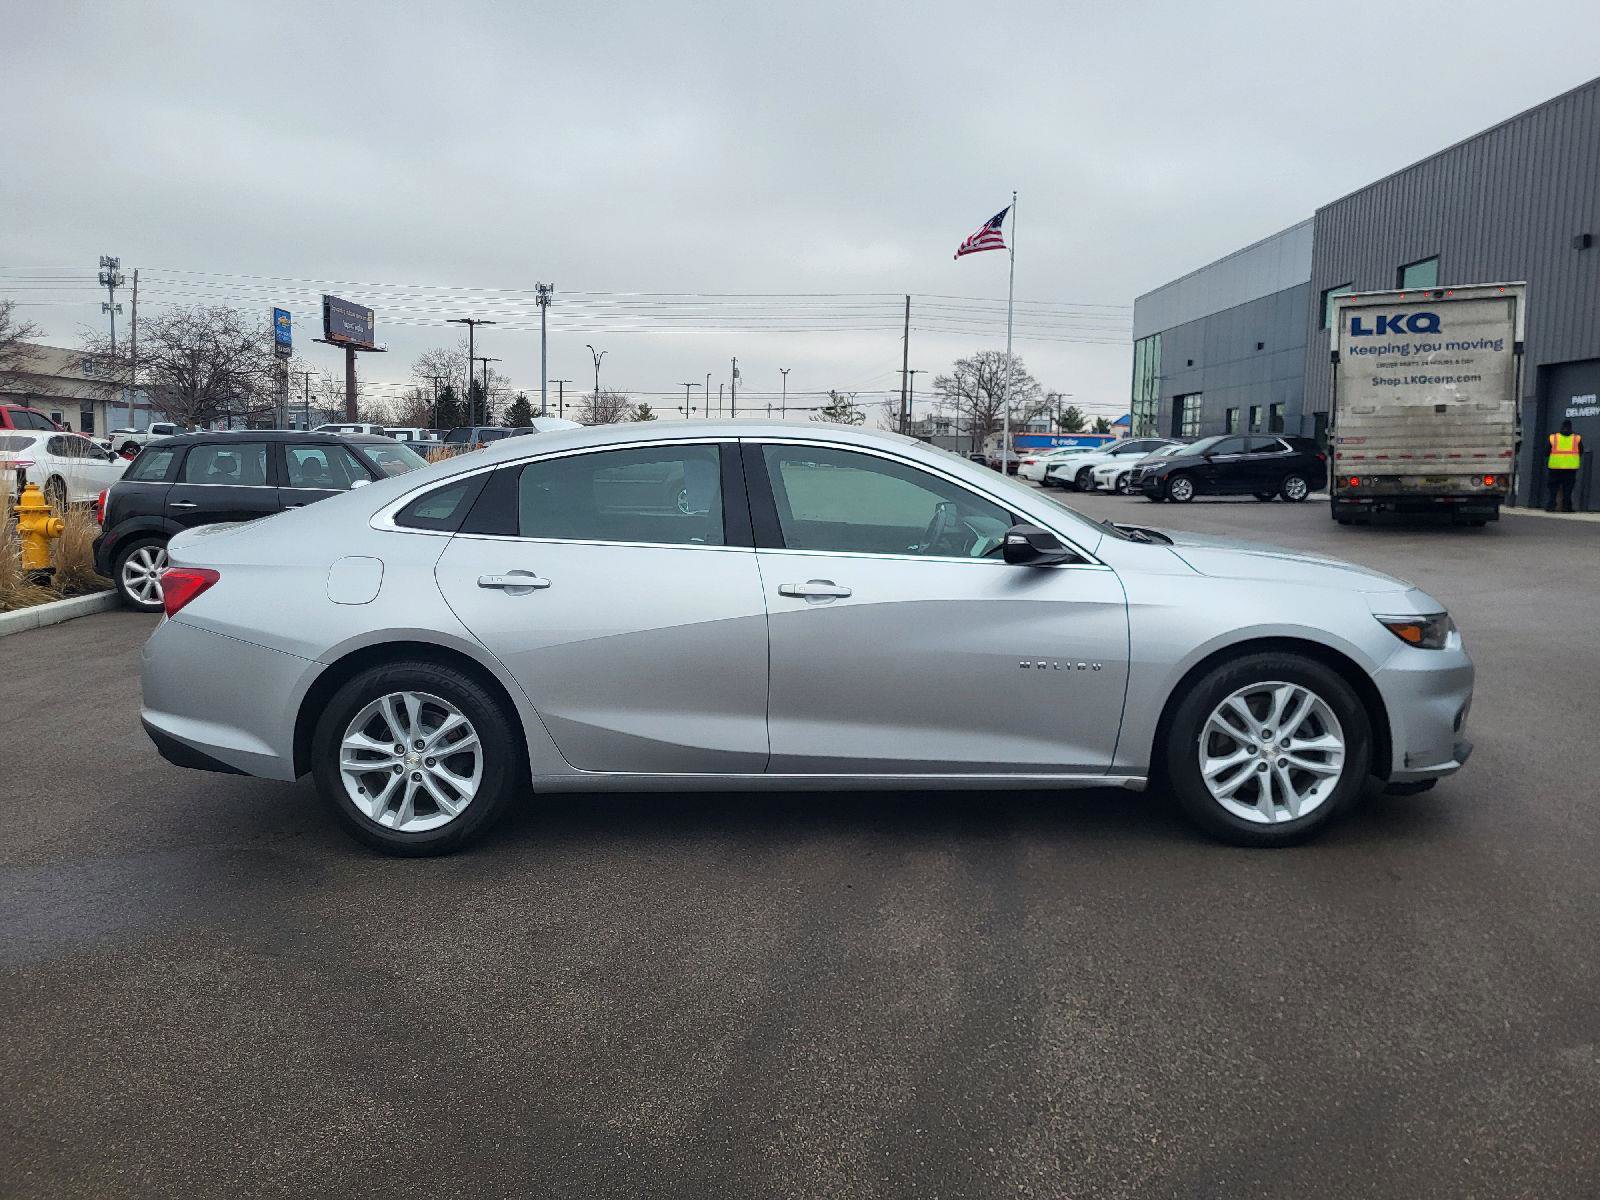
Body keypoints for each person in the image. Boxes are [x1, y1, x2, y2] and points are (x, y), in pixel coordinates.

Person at [1546, 419, 1583, 512]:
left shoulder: (1553, 438)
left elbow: (1546, 452)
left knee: (1553, 489)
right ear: (1571, 427)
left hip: (1555, 467)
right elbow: (1581, 451)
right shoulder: (1576, 438)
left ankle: (1551, 506)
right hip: (1570, 468)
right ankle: (1566, 507)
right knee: (1568, 489)